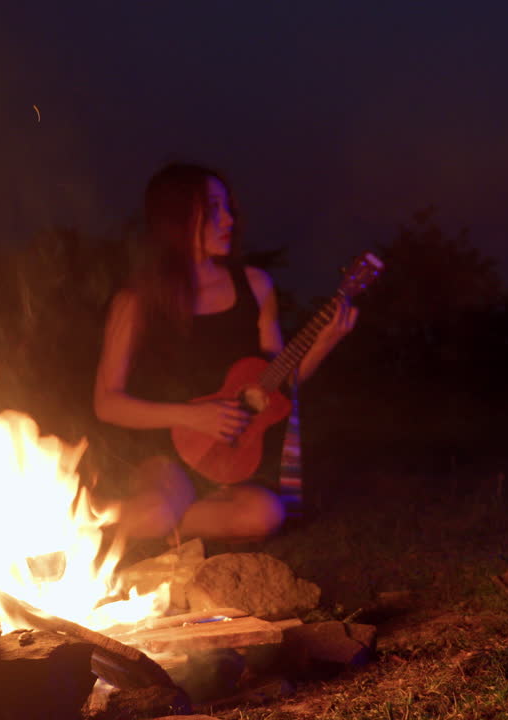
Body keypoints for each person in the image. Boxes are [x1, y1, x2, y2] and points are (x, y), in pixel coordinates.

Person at [93, 162, 357, 542]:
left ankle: (167, 525)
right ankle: (116, 523)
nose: (229, 219)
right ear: (178, 218)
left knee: (263, 515)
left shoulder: (255, 285)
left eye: (228, 207)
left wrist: (325, 343)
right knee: (154, 511)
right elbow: (107, 404)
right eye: (214, 209)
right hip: (165, 452)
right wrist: (193, 416)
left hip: (235, 454)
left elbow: (277, 386)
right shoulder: (136, 301)